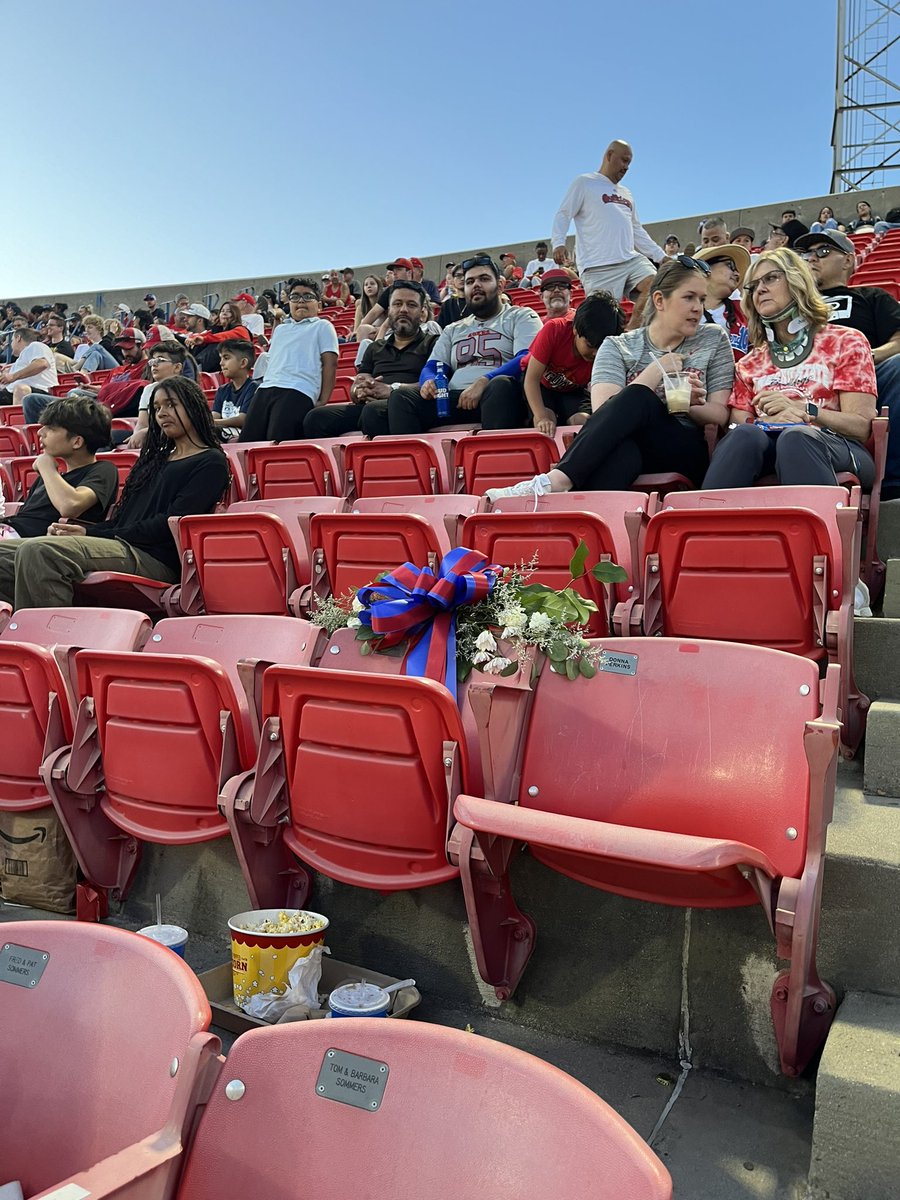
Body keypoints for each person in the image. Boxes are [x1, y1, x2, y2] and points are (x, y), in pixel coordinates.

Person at [486, 257, 734, 501]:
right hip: (628, 445)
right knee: (622, 452)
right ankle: (580, 531)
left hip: (682, 445)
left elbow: (720, 414)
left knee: (636, 398)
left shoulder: (713, 338)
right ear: (659, 300)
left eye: (702, 299)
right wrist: (658, 370)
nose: (698, 308)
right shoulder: (618, 345)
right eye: (689, 297)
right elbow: (605, 408)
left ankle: (555, 481)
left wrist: (685, 403)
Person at [0, 377, 229, 608]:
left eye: (171, 404)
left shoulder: (211, 462)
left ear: (194, 406)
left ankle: (48, 637)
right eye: (157, 407)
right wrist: (87, 531)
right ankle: (17, 627)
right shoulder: (153, 460)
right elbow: (122, 519)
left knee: (39, 550)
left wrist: (96, 535)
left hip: (155, 557)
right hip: (123, 545)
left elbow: (169, 525)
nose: (161, 413)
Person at [702, 248, 877, 490]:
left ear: (797, 281)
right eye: (752, 287)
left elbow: (862, 427)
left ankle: (817, 527)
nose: (760, 289)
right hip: (768, 449)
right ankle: (707, 525)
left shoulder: (846, 341)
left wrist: (806, 411)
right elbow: (738, 425)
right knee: (744, 435)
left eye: (770, 278)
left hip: (839, 448)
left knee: (796, 437)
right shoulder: (748, 364)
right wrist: (769, 421)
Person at [795, 227, 900, 498]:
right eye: (808, 253)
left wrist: (864, 357)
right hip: (803, 376)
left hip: (864, 376)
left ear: (849, 260)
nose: (813, 258)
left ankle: (890, 478)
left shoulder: (871, 296)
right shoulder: (795, 306)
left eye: (824, 251)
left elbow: (898, 340)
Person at [385, 254, 542, 434]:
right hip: (455, 398)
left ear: (500, 286)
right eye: (470, 282)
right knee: (400, 398)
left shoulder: (521, 316)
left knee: (500, 386)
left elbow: (526, 359)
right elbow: (433, 366)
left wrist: (485, 381)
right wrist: (428, 381)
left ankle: (494, 459)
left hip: (500, 396)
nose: (476, 285)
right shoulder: (453, 328)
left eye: (484, 279)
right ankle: (414, 460)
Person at [551, 139, 664, 329]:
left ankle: (632, 331)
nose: (626, 167)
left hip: (629, 260)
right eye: (624, 160)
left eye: (629, 163)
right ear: (609, 155)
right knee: (602, 323)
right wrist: (558, 242)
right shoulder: (585, 183)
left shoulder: (626, 193)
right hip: (598, 266)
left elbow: (636, 229)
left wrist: (661, 256)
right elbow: (564, 213)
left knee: (656, 284)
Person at [303, 281, 438, 439]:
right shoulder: (375, 347)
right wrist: (360, 390)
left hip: (410, 407)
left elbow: (434, 382)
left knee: (373, 411)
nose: (403, 310)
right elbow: (359, 382)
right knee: (315, 418)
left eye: (411, 305)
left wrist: (392, 390)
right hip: (371, 405)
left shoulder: (433, 343)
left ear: (422, 314)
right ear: (389, 311)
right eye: (397, 304)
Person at [481, 291, 624, 435]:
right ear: (575, 329)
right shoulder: (555, 330)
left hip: (572, 390)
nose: (595, 353)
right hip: (541, 385)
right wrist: (541, 417)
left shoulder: (608, 351)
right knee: (546, 424)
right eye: (590, 345)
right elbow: (531, 379)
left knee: (582, 422)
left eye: (601, 347)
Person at [1, 396, 118, 538]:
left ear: (77, 442)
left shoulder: (104, 470)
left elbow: (70, 505)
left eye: (50, 429)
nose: (40, 432)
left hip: (34, 544)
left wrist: (47, 467)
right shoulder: (50, 478)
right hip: (10, 534)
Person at [239, 278, 338, 441]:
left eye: (308, 296)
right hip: (265, 390)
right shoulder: (280, 330)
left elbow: (330, 363)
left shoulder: (322, 326)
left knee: (279, 442)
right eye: (295, 296)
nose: (300, 301)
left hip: (298, 391)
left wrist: (323, 400)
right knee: (248, 443)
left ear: (319, 305)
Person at [125, 341, 192, 449]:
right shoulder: (149, 389)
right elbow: (142, 423)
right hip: (153, 435)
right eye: (152, 361)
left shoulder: (187, 389)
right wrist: (137, 436)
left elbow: (185, 424)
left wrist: (147, 432)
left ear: (177, 367)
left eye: (160, 360)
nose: (154, 364)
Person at [694, 243, 751, 358]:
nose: (737, 274)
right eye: (730, 266)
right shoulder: (683, 314)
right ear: (705, 269)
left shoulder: (745, 309)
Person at [0, 327, 58, 408]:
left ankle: (18, 420)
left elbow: (42, 363)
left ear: (18, 338)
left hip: (36, 395)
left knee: (21, 388)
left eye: (12, 340)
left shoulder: (35, 345)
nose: (10, 344)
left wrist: (13, 376)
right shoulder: (22, 357)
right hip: (9, 394)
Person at [185, 300, 250, 372]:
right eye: (222, 311)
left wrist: (203, 339)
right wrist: (193, 339)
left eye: (229, 311)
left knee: (219, 344)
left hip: (237, 365)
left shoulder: (241, 330)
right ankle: (191, 366)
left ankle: (193, 368)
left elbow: (224, 336)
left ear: (235, 315)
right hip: (218, 365)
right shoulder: (217, 330)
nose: (224, 313)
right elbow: (205, 335)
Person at [212, 340, 258, 439]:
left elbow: (242, 419)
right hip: (224, 431)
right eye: (221, 358)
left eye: (226, 358)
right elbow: (215, 414)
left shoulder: (253, 387)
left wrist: (212, 423)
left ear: (243, 363)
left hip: (243, 436)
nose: (221, 363)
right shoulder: (222, 390)